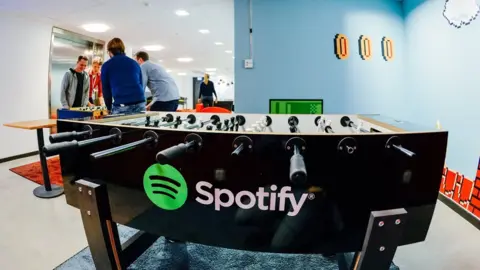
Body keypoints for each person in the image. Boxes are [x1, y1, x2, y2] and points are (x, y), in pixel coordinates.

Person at [101, 38, 145, 114]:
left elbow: (106, 89)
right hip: (140, 102)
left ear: (110, 52)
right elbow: (141, 83)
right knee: (138, 124)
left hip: (123, 104)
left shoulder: (106, 66)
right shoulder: (134, 63)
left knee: (119, 126)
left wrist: (108, 108)